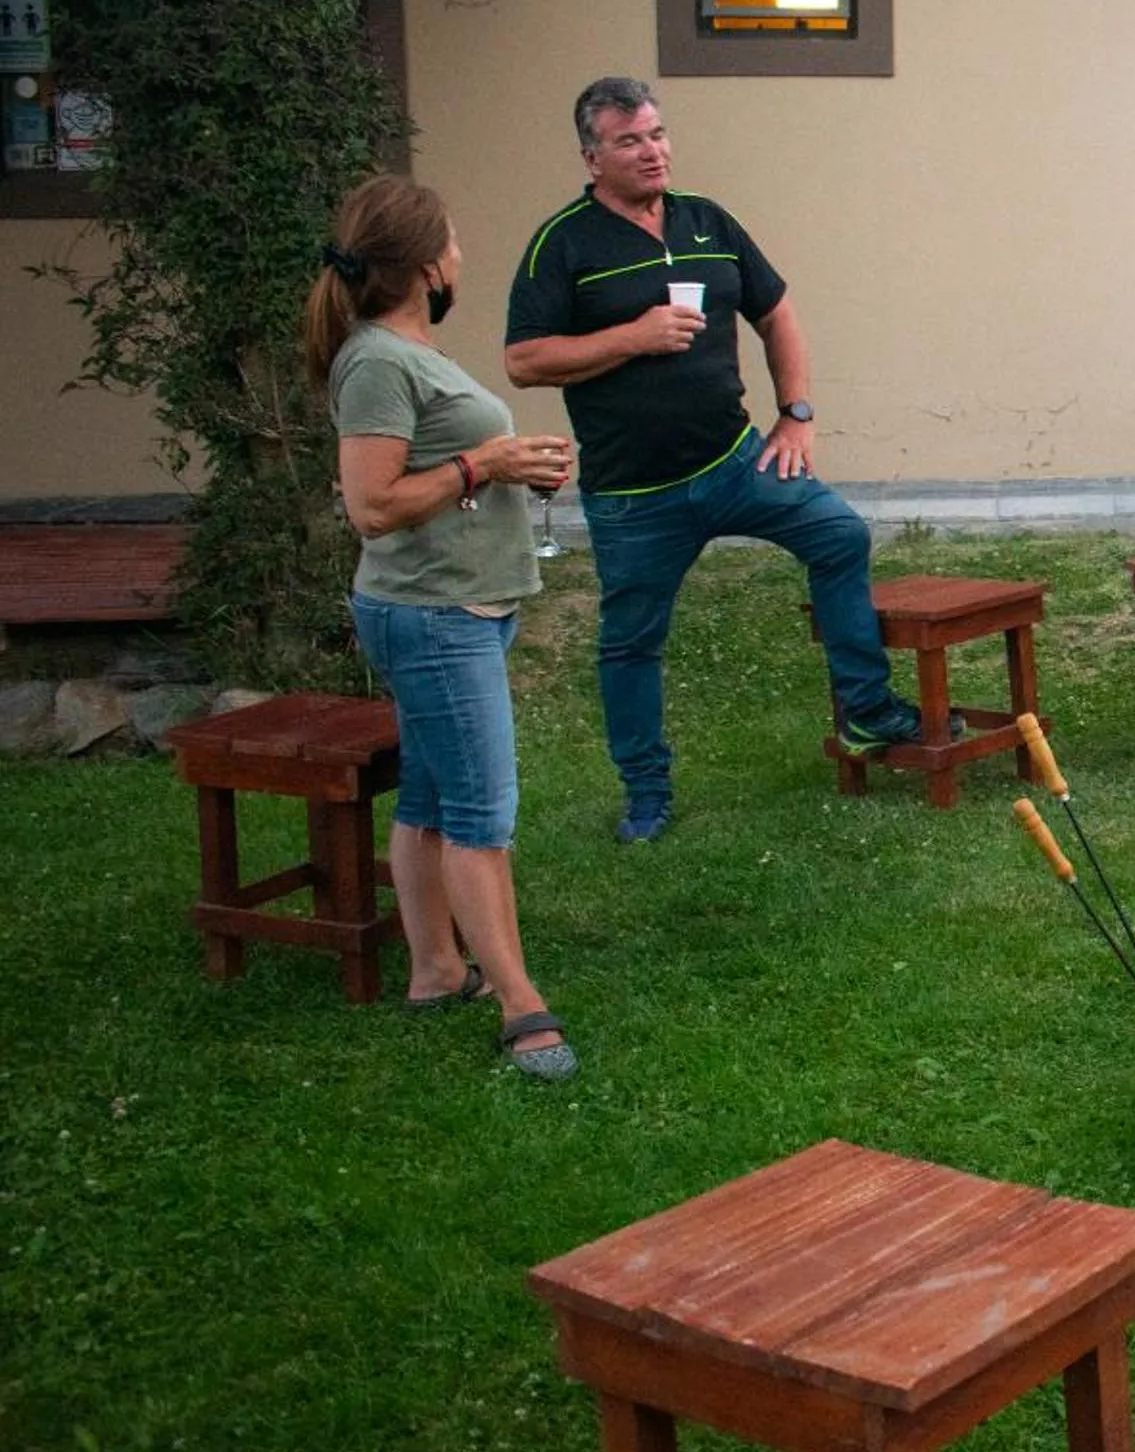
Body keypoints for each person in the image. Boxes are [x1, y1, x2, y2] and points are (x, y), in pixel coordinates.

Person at [504, 77, 921, 843]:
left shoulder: (707, 221)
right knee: (631, 642)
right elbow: (525, 360)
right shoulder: (562, 244)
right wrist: (632, 336)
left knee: (838, 537)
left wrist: (795, 415)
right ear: (592, 156)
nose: (652, 151)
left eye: (658, 134)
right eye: (630, 140)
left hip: (734, 465)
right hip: (634, 496)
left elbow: (777, 311)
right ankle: (646, 793)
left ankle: (866, 711)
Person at [304, 175, 579, 1080]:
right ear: (427, 265)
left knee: (428, 799)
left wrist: (507, 470)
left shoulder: (409, 350)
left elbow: (439, 469)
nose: (463, 252)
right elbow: (372, 506)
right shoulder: (379, 361)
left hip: (463, 607)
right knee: (479, 817)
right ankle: (519, 1006)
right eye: (453, 240)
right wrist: (484, 461)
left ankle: (433, 970)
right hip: (433, 617)